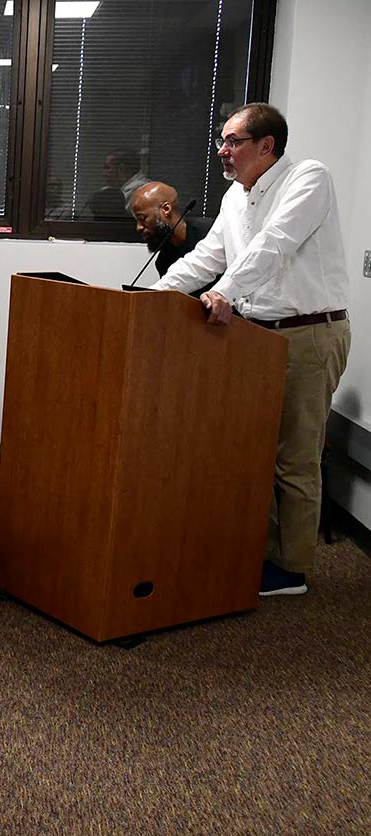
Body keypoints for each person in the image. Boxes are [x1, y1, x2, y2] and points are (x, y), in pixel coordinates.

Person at [152, 103, 351, 597]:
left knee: (295, 456)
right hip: (255, 335)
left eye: (233, 141)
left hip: (308, 333)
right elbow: (206, 257)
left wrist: (226, 291)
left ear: (268, 146)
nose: (223, 150)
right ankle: (255, 552)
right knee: (252, 451)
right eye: (222, 140)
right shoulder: (235, 197)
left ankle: (291, 568)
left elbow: (275, 244)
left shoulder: (308, 178)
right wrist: (147, 301)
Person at [129, 181, 216, 288]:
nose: (139, 227)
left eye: (142, 218)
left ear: (166, 209)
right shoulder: (164, 260)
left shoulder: (211, 233)